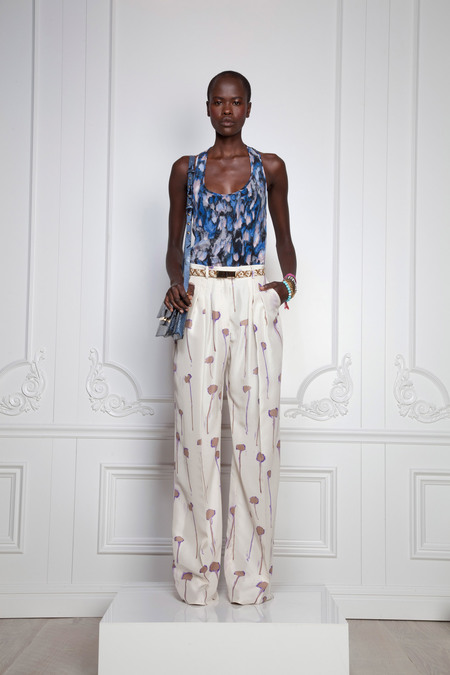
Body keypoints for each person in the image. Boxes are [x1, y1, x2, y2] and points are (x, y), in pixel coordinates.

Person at [164, 71, 297, 605]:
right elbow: (173, 246)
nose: (226, 110)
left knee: (255, 439)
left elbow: (285, 241)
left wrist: (284, 288)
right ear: (207, 107)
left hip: (250, 298)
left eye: (236, 102)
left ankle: (249, 577)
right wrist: (176, 282)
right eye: (218, 102)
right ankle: (196, 576)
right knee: (196, 437)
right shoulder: (185, 170)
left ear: (248, 108)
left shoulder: (271, 168)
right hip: (198, 298)